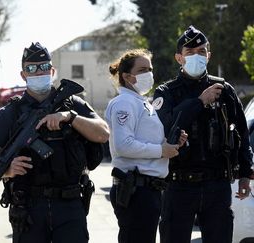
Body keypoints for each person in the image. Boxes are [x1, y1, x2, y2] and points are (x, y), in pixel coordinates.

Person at [0, 42, 110, 243]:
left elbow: (103, 133)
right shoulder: (10, 113)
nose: (38, 72)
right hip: (29, 206)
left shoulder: (72, 103)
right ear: (23, 74)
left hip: (70, 204)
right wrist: (7, 169)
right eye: (31, 68)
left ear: (52, 70)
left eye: (43, 67)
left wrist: (70, 117)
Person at [153, 25, 253, 243]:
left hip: (217, 185)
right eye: (190, 53)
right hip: (179, 184)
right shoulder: (167, 92)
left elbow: (242, 133)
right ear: (179, 58)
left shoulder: (224, 89)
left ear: (209, 55)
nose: (196, 57)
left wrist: (245, 173)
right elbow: (166, 124)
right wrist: (198, 102)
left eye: (201, 52)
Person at [104, 49, 186, 243]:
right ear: (126, 76)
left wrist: (170, 144)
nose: (149, 74)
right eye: (142, 69)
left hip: (147, 190)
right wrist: (161, 151)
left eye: (150, 68)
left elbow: (144, 139)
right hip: (136, 191)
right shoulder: (124, 102)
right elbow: (124, 145)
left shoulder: (141, 102)